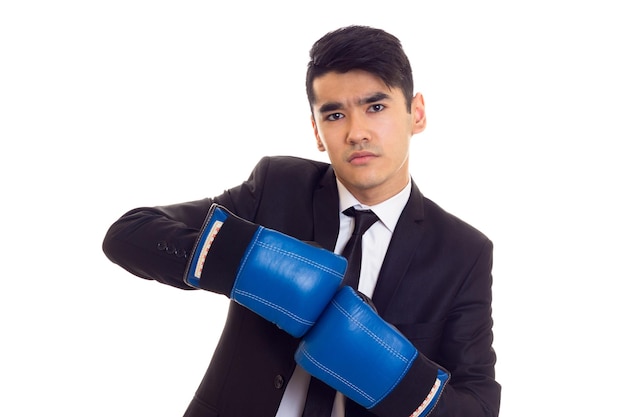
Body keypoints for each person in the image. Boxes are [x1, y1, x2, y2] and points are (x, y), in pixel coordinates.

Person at [102, 25, 501, 417]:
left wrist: (393, 378)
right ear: (316, 130)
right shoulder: (279, 187)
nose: (356, 132)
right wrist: (255, 267)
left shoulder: (463, 252)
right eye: (334, 115)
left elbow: (478, 407)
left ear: (417, 113)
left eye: (375, 107)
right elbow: (130, 233)